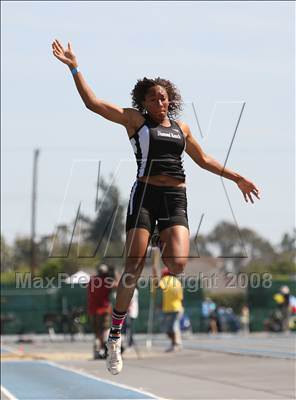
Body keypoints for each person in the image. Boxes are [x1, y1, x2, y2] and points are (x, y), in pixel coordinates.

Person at [52, 39, 261, 374]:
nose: (159, 101)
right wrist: (74, 67)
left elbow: (203, 159)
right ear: (143, 102)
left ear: (170, 99)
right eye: (152, 97)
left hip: (176, 197)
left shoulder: (182, 128)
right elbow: (92, 104)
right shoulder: (135, 122)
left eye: (163, 96)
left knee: (177, 265)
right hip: (145, 197)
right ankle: (115, 335)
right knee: (132, 270)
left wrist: (237, 177)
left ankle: (160, 238)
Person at [87, 264, 117, 359]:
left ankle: (97, 351)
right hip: (103, 309)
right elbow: (118, 285)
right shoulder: (106, 281)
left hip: (92, 309)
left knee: (96, 332)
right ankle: (105, 348)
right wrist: (115, 274)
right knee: (105, 329)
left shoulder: (92, 280)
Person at [158, 267, 184, 352]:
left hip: (168, 308)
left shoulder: (165, 280)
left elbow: (158, 286)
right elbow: (180, 297)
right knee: (174, 327)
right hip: (177, 307)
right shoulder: (178, 282)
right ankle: (176, 344)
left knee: (171, 327)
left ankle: (176, 344)